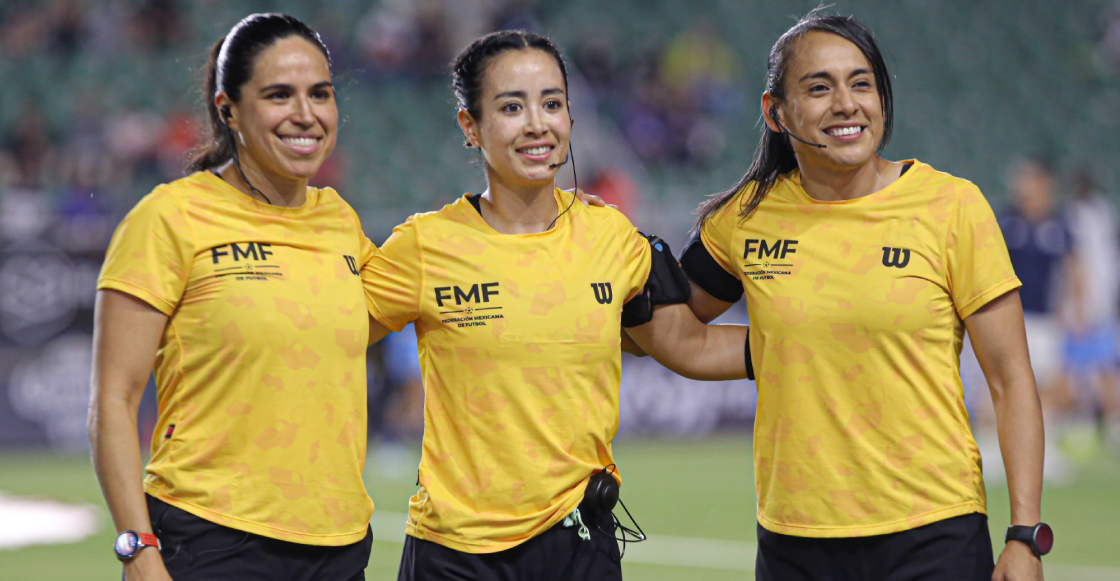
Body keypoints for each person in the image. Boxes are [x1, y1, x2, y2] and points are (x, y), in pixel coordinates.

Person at [361, 30, 749, 581]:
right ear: (470, 126)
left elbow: (688, 344)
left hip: (580, 548)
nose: (537, 124)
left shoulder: (611, 236)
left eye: (551, 103)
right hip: (455, 554)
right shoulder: (425, 245)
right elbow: (327, 339)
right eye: (511, 107)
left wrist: (817, 344)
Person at [678, 12, 1047, 581]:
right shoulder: (747, 218)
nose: (846, 104)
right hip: (795, 540)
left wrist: (1025, 536)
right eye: (819, 88)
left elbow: (1010, 379)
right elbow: (668, 328)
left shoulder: (952, 207)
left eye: (861, 84)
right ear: (776, 112)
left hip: (933, 534)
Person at [89, 13, 375, 581]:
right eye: (278, 95)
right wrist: (138, 550)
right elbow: (113, 401)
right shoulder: (168, 218)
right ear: (229, 110)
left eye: (320, 93)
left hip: (339, 546)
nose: (306, 114)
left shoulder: (341, 221)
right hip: (212, 540)